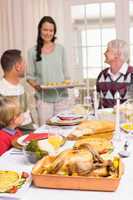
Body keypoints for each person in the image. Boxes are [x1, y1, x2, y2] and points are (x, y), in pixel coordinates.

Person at [27, 16, 71, 125]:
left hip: (62, 98)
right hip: (43, 100)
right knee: (45, 131)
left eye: (51, 30)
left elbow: (66, 75)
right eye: (45, 30)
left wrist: (68, 83)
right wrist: (38, 87)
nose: (48, 33)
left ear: (54, 32)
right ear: (40, 30)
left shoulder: (61, 49)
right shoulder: (32, 51)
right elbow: (29, 77)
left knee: (63, 129)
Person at [0, 49, 35, 133]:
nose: (25, 67)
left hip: (28, 135)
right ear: (17, 67)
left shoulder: (21, 88)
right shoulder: (2, 91)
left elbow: (27, 117)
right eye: (24, 64)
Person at [96, 39, 133, 108]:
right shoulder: (102, 75)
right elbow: (97, 103)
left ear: (117, 54)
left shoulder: (131, 75)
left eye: (107, 50)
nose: (105, 53)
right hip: (103, 118)